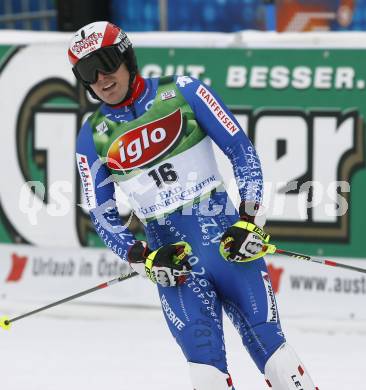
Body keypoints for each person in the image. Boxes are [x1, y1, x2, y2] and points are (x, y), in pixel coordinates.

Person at [69, 21, 318, 390]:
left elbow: (241, 151)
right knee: (206, 375)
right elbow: (101, 214)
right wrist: (140, 255)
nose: (101, 78)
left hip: (230, 246)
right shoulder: (92, 136)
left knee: (276, 357)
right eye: (88, 72)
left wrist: (248, 220)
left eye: (106, 62)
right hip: (175, 264)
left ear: (127, 57)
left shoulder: (184, 90)